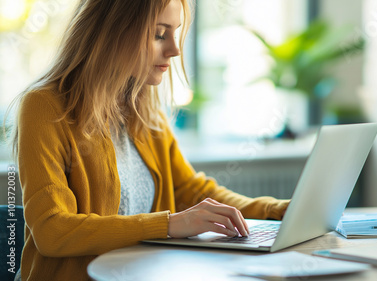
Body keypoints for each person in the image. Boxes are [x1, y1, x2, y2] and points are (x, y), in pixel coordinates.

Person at [10, 0, 289, 280]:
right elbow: (52, 230)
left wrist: (276, 210)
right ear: (112, 32)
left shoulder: (143, 107)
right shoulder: (44, 107)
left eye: (175, 32)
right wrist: (169, 224)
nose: (175, 50)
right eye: (159, 34)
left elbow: (191, 191)